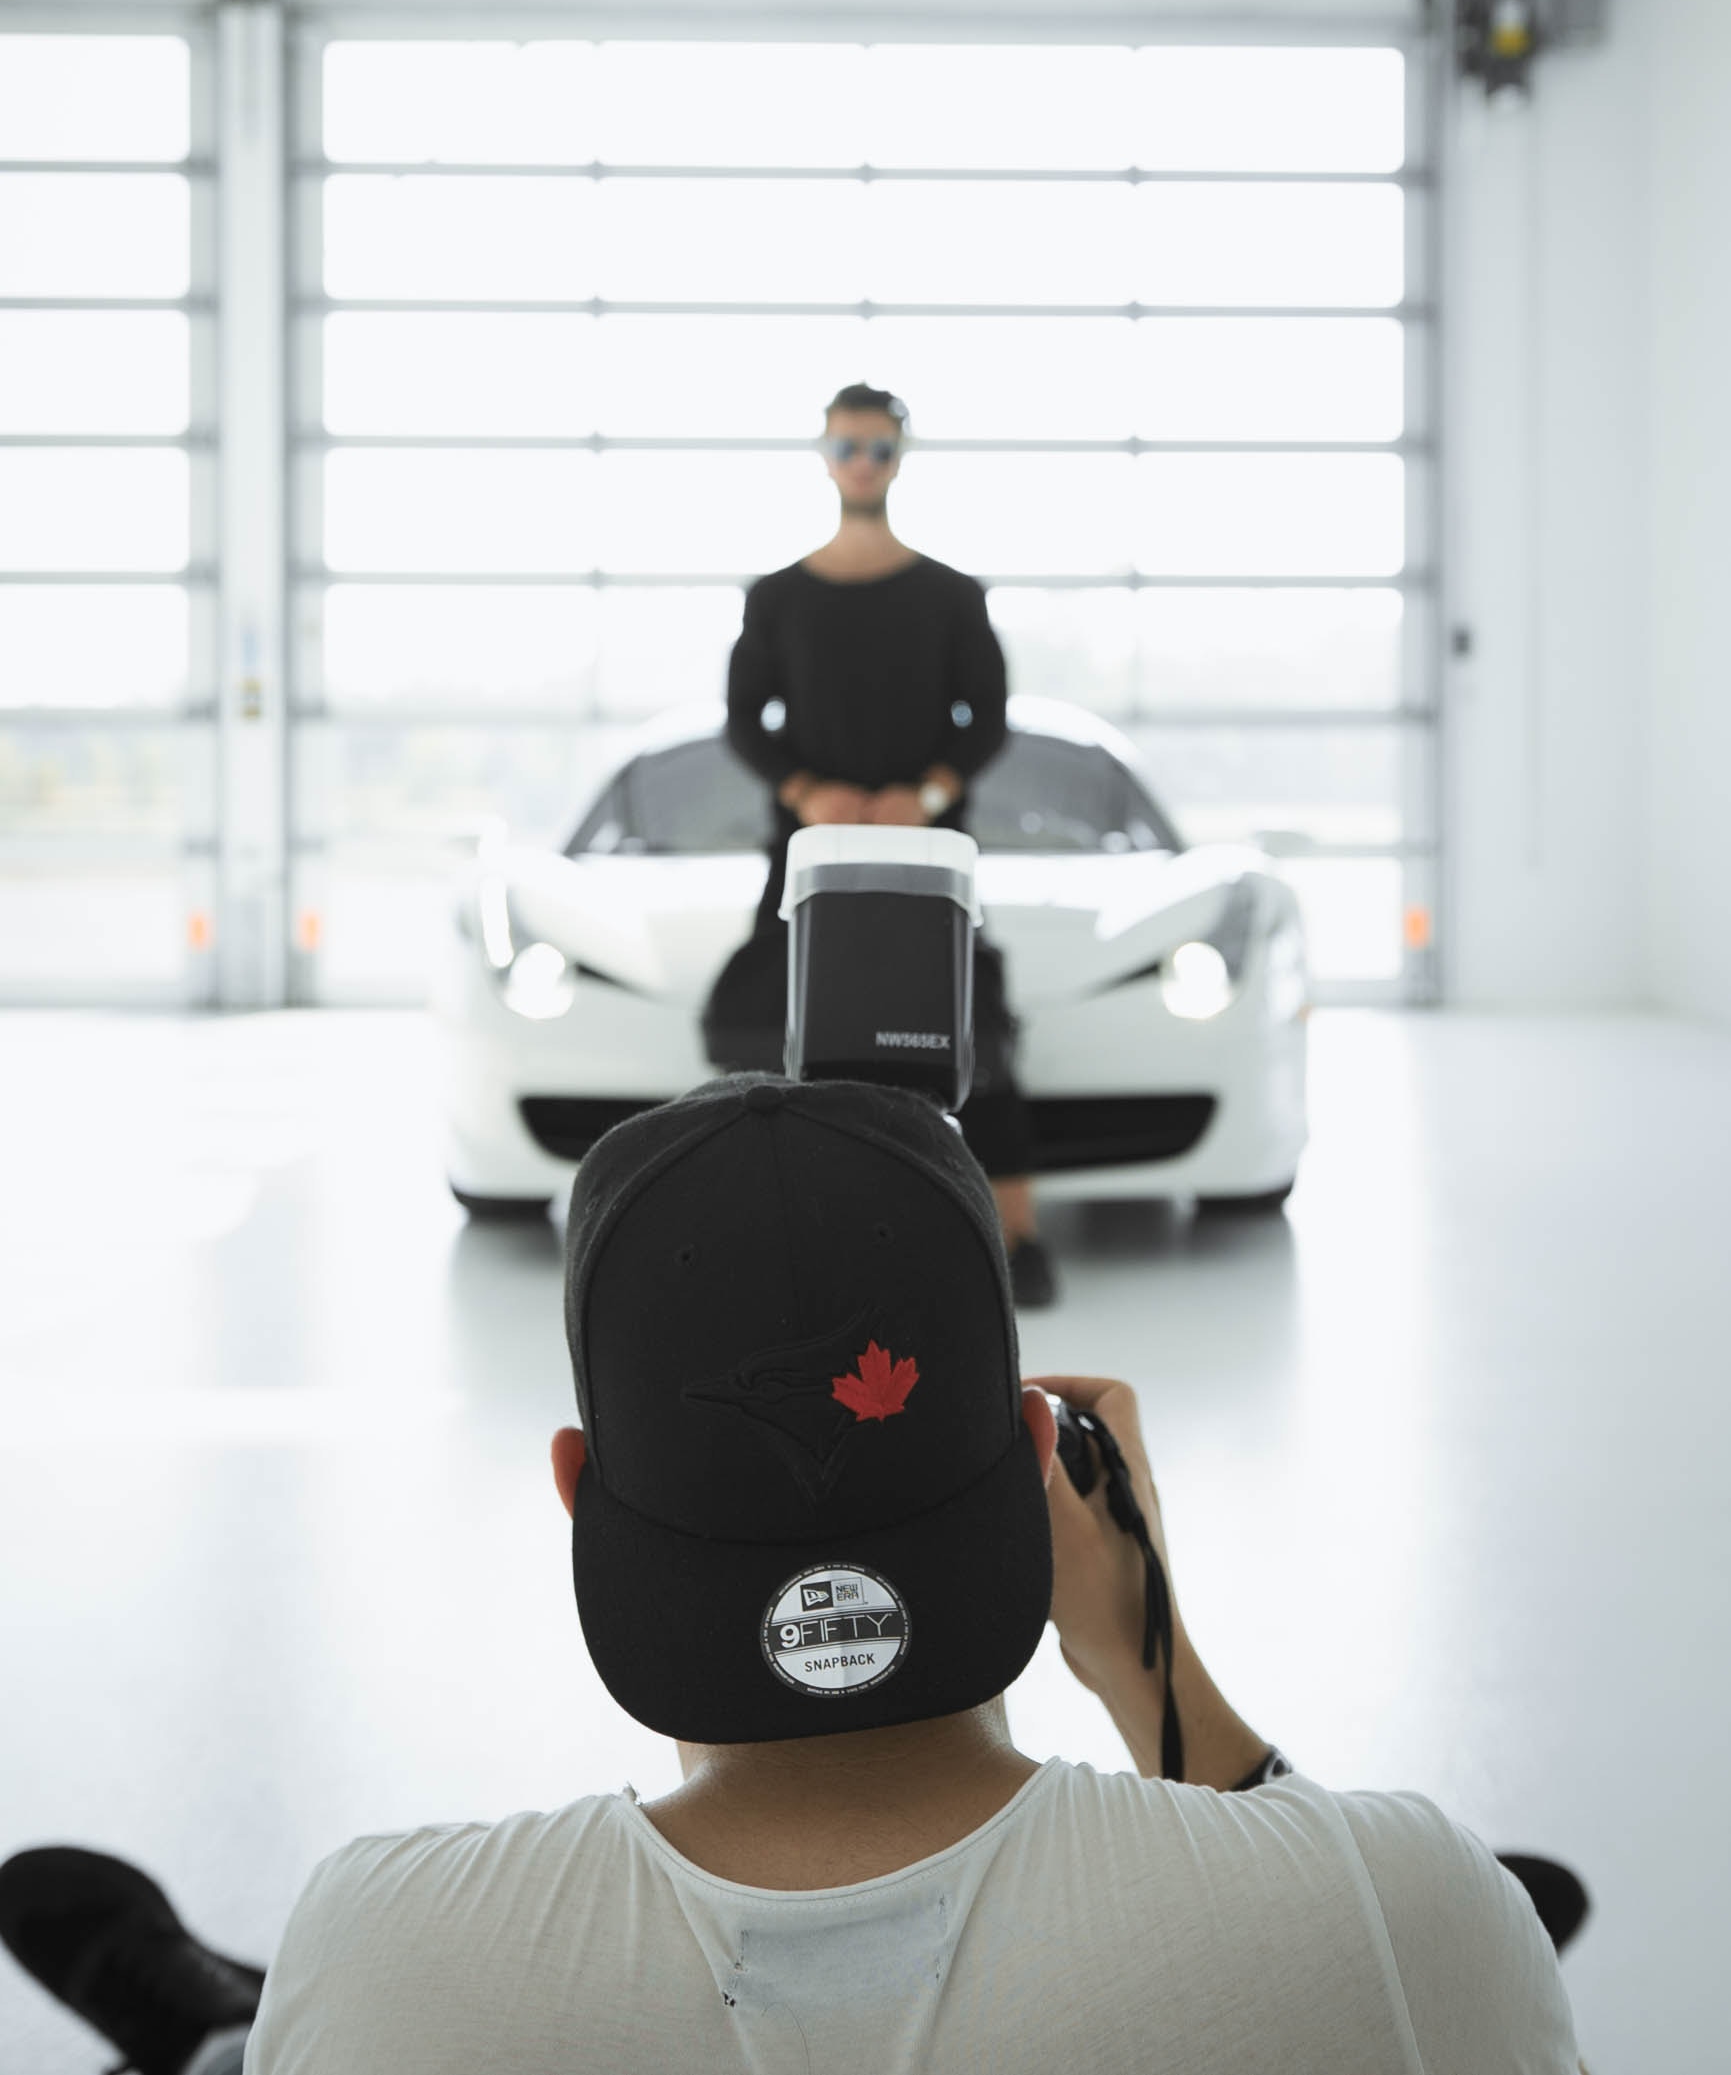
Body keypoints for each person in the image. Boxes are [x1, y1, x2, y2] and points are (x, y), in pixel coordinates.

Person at [2, 1076, 1586, 2073]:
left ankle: (212, 2020)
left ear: (577, 1490)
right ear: (1043, 1455)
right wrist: (1148, 1668)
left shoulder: (382, 1946)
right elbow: (1336, 1899)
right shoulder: (1408, 1913)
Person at [708, 381, 1058, 1308]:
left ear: (898, 459)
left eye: (878, 448)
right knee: (772, 1038)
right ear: (824, 458)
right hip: (807, 862)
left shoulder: (949, 594)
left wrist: (926, 794)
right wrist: (805, 791)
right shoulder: (777, 597)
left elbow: (986, 720)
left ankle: (1014, 1245)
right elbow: (744, 721)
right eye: (846, 447)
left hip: (930, 862)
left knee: (973, 1031)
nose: (862, 463)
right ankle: (784, 1235)